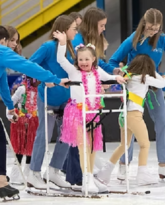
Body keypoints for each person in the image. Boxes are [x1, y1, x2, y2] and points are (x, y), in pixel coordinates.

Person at [99, 8, 165, 182]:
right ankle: (124, 164)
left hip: (152, 86)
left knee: (162, 123)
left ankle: (164, 165)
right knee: (129, 125)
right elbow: (113, 61)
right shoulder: (133, 39)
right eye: (151, 28)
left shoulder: (164, 40)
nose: (153, 31)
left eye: (156, 28)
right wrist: (122, 73)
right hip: (133, 86)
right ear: (144, 23)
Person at [0, 25, 69, 199]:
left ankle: (1, 180)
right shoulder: (1, 51)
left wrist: (9, 106)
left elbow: (2, 83)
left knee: (0, 137)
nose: (12, 45)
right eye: (11, 41)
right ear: (3, 41)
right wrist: (55, 79)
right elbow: (27, 66)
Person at [53, 30, 125, 193]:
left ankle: (90, 175)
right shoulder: (74, 72)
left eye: (87, 59)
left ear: (93, 59)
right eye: (81, 59)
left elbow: (107, 77)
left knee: (92, 146)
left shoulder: (97, 72)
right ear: (77, 60)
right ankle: (85, 178)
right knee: (82, 145)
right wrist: (63, 43)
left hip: (93, 113)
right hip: (77, 112)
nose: (84, 62)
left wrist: (117, 79)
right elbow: (60, 59)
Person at [27, 15, 78, 190]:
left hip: (66, 98)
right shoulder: (48, 47)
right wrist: (44, 77)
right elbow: (30, 64)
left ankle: (55, 171)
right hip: (48, 97)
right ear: (63, 30)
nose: (76, 31)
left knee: (67, 134)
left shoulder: (71, 49)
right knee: (45, 134)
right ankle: (33, 172)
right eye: (73, 28)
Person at [100, 54, 165, 186]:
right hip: (134, 116)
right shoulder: (145, 78)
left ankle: (105, 173)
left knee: (124, 145)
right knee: (145, 144)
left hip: (124, 115)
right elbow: (162, 83)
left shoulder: (128, 76)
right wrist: (155, 73)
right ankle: (142, 174)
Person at [6, 75, 40, 185]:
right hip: (21, 122)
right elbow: (10, 102)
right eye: (37, 78)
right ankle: (16, 175)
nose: (39, 81)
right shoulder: (22, 89)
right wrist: (11, 116)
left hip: (34, 121)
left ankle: (28, 173)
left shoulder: (40, 89)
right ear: (30, 78)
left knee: (31, 147)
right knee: (20, 147)